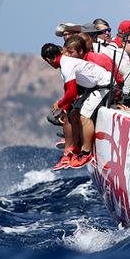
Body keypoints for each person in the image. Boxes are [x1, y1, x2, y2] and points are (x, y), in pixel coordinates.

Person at [42, 41, 113, 169]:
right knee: (73, 113)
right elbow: (71, 93)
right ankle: (76, 147)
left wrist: (59, 104)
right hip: (94, 88)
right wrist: (64, 109)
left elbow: (72, 92)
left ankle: (86, 154)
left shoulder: (66, 66)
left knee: (84, 117)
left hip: (105, 86)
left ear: (48, 60)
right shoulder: (64, 63)